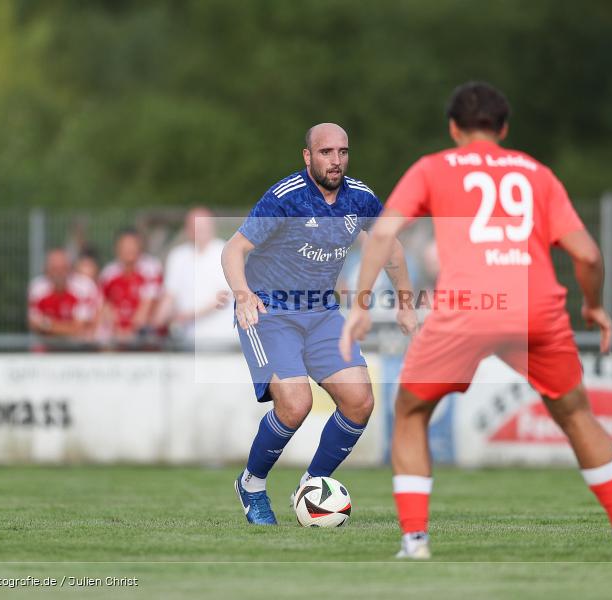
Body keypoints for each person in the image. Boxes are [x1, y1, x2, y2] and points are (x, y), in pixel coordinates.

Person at [340, 82, 612, 559]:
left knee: (411, 412)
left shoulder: (433, 167)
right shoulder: (537, 174)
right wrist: (593, 305)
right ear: (503, 128)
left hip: (469, 306)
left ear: (453, 127)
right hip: (536, 309)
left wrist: (360, 304)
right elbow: (587, 254)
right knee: (575, 413)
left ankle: (415, 542)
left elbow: (383, 231)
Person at [222, 123, 418, 525]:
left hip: (322, 311)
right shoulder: (286, 197)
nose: (336, 160)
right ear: (308, 156)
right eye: (326, 152)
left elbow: (389, 245)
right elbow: (233, 248)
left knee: (360, 402)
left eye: (343, 152)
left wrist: (404, 301)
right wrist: (243, 295)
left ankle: (313, 486)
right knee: (296, 404)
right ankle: (252, 485)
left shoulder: (359, 197)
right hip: (269, 311)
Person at [153, 207, 234, 347]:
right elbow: (170, 295)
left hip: (222, 338)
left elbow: (223, 297)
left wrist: (186, 316)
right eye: (195, 225)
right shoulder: (177, 256)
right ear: (187, 228)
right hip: (187, 339)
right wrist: (154, 323)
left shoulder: (225, 251)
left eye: (203, 225)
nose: (199, 230)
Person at [98, 229, 163, 340]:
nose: (129, 249)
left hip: (144, 333)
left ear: (140, 247)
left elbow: (147, 306)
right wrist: (116, 330)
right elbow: (104, 305)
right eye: (125, 245)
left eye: (132, 245)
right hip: (116, 333)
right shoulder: (109, 273)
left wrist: (130, 332)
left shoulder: (151, 268)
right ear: (117, 248)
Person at [28, 248, 101, 339]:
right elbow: (34, 325)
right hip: (46, 349)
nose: (59, 273)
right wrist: (67, 328)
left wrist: (48, 325)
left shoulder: (85, 287)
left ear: (70, 268)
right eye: (54, 268)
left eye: (63, 268)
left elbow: (79, 328)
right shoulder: (37, 288)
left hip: (78, 349)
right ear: (46, 269)